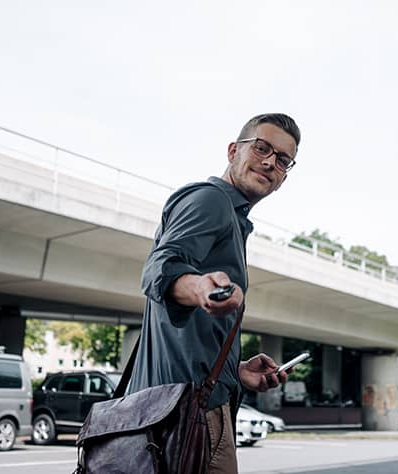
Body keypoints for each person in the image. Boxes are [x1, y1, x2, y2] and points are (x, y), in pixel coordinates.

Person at [126, 113, 301, 473]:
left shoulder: (233, 219)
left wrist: (235, 372)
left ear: (284, 176)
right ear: (233, 150)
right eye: (262, 148)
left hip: (180, 413)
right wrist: (200, 288)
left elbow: (186, 335)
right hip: (187, 419)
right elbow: (159, 269)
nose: (270, 162)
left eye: (283, 159)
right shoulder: (211, 200)